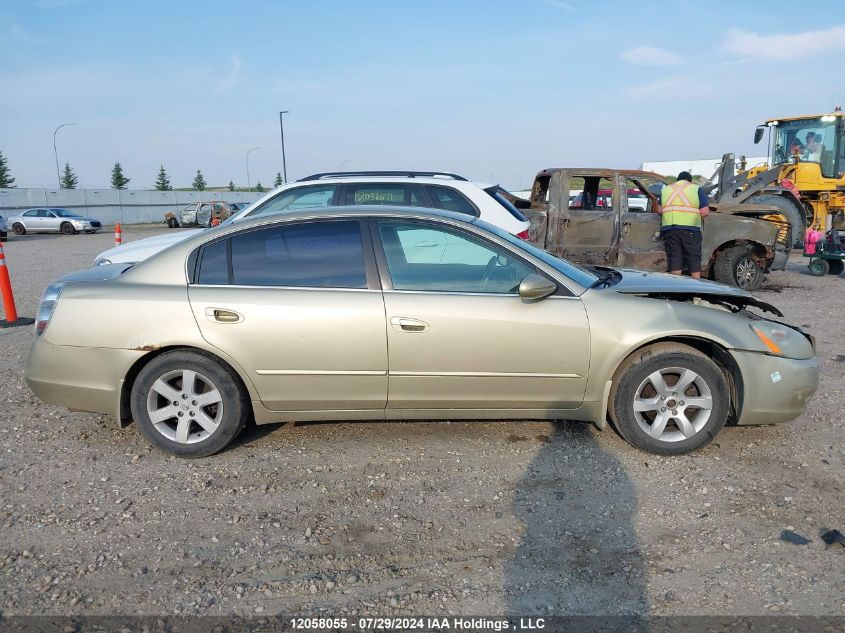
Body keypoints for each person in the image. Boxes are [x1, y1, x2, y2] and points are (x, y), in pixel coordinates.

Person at [657, 171, 709, 278]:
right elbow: (705, 212)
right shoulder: (695, 188)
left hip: (670, 228)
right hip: (690, 229)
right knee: (693, 257)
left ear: (678, 181)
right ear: (689, 181)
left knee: (675, 258)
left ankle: (676, 288)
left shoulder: (666, 189)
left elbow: (659, 210)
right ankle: (696, 290)